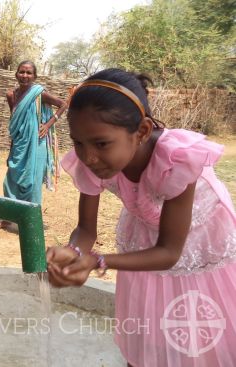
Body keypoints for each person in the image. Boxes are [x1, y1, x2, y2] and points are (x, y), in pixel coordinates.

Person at [46, 68, 236, 366]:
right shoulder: (93, 162)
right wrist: (72, 253)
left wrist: (97, 260)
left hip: (198, 237)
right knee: (148, 328)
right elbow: (85, 228)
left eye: (101, 144)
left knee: (201, 335)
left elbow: (169, 252)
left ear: (143, 132)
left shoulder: (176, 161)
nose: (88, 157)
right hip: (146, 230)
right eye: (78, 143)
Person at [0, 60, 67, 230]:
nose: (25, 76)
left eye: (29, 73)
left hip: (36, 144)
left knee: (32, 183)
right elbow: (15, 121)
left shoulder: (39, 93)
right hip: (19, 143)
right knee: (10, 180)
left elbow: (63, 104)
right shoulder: (12, 95)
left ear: (35, 76)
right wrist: (11, 150)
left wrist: (48, 124)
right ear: (16, 74)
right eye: (22, 72)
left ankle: (31, 222)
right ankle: (7, 219)